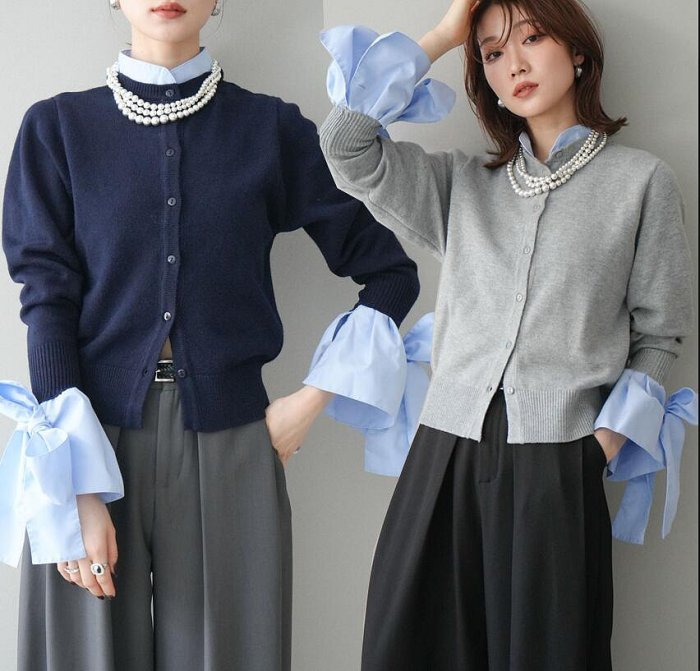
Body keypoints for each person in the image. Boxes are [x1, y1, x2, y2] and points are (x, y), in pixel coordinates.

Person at [0, 1, 421, 669]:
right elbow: (46, 303)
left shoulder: (270, 130)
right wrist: (73, 481)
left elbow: (391, 274)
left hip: (233, 441)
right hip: (86, 443)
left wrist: (306, 405)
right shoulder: (57, 130)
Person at [317, 0, 697, 669]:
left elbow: (661, 335)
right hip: (443, 453)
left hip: (559, 462)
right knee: (410, 648)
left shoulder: (640, 183)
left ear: (577, 51)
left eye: (532, 37)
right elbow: (345, 145)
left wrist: (597, 449)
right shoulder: (462, 185)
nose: (514, 63)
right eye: (493, 52)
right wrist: (442, 36)